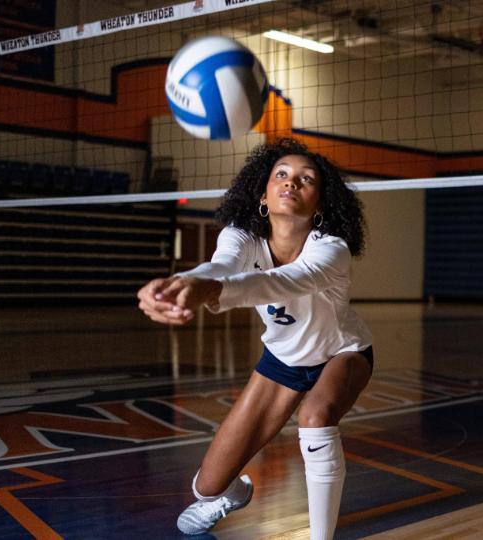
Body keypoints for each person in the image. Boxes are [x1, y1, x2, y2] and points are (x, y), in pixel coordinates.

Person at [136, 138, 373, 539]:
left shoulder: (332, 249)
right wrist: (182, 284)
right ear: (263, 193)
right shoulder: (243, 235)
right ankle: (233, 495)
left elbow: (279, 282)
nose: (291, 182)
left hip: (342, 353)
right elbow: (222, 266)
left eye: (306, 178)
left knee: (315, 418)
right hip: (283, 361)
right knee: (206, 486)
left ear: (321, 203)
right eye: (281, 174)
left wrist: (209, 293)